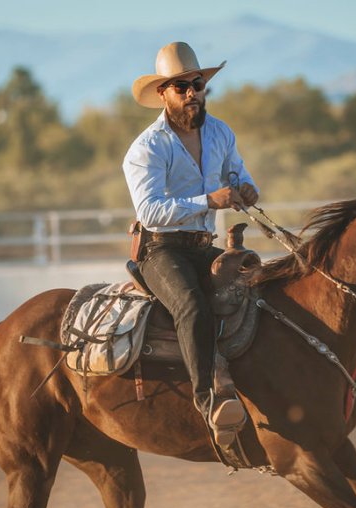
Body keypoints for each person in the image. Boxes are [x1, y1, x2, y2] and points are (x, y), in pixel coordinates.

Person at [123, 41, 259, 447]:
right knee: (192, 305)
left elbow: (238, 173)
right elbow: (150, 212)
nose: (191, 93)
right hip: (160, 249)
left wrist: (246, 189)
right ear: (162, 93)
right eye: (181, 87)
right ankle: (208, 402)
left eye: (197, 84)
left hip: (202, 244)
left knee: (260, 285)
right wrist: (209, 201)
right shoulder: (147, 148)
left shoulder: (220, 132)